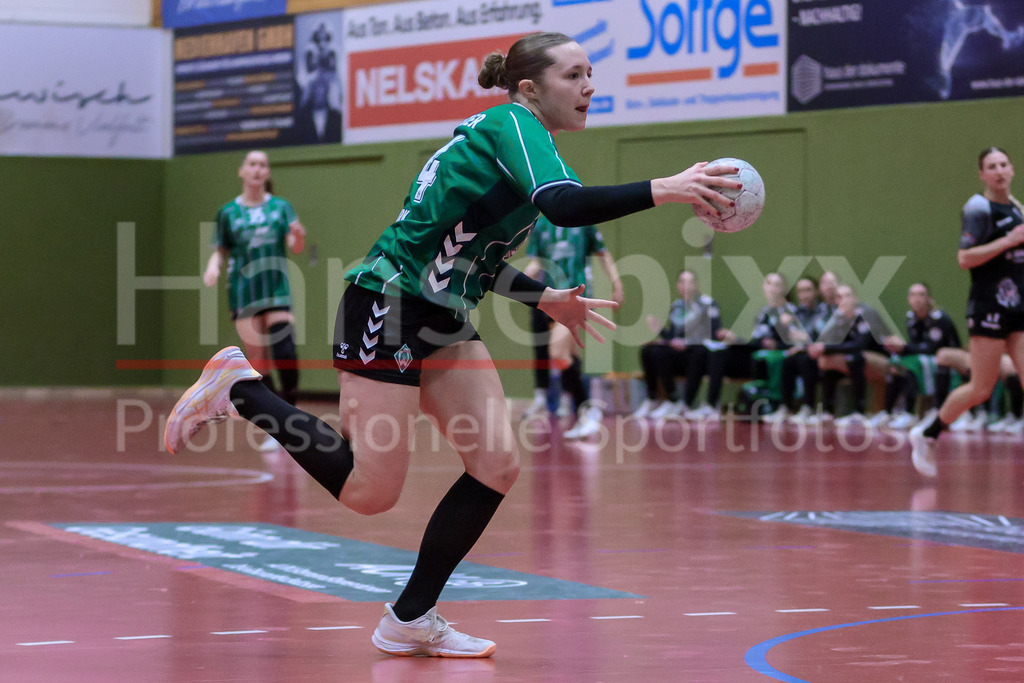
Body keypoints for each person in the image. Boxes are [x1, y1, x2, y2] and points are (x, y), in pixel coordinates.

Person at [164, 32, 741, 658]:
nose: (589, 86)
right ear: (529, 88)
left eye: (590, 73)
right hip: (389, 303)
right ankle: (240, 388)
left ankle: (409, 617)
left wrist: (545, 298)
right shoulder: (514, 124)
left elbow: (468, 252)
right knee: (369, 492)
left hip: (440, 312)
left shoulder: (519, 142)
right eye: (574, 75)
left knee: (496, 463)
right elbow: (566, 208)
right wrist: (671, 187)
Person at [911, 147, 1024, 477]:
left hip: (1019, 306)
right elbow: (965, 258)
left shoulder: (1017, 208)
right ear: (982, 175)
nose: (999, 170)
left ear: (1012, 169)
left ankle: (928, 432)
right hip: (989, 307)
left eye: (1004, 164)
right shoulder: (978, 208)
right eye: (992, 166)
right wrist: (1007, 241)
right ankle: (927, 433)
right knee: (981, 388)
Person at [204, 150, 306, 452]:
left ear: (267, 173)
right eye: (252, 164)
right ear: (242, 171)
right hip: (243, 290)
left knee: (285, 349)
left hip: (275, 289)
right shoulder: (228, 213)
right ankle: (277, 429)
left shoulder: (281, 208)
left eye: (263, 165)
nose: (258, 169)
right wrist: (213, 265)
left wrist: (298, 237)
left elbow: (295, 245)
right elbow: (221, 249)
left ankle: (293, 414)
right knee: (259, 362)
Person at [521, 216, 624, 440]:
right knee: (569, 355)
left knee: (557, 353)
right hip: (549, 299)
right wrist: (509, 281)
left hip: (576, 295)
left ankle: (586, 414)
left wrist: (616, 282)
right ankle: (587, 410)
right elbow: (537, 263)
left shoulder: (583, 220)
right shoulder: (540, 224)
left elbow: (602, 252)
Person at [632, 269, 722, 420]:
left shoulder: (708, 304)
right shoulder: (677, 306)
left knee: (699, 352)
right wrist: (660, 331)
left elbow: (714, 333)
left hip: (699, 355)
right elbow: (673, 336)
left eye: (689, 282)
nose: (685, 286)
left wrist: (687, 342)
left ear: (696, 285)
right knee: (650, 350)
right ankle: (663, 399)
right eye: (681, 282)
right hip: (679, 354)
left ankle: (686, 403)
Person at [805, 283, 893, 426]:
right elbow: (828, 341)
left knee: (854, 358)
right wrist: (817, 346)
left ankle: (859, 412)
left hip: (883, 361)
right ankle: (828, 411)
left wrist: (825, 348)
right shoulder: (839, 319)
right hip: (857, 359)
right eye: (839, 297)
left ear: (855, 298)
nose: (844, 300)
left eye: (847, 296)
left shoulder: (866, 314)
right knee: (826, 360)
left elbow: (859, 345)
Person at [877, 282, 961, 429]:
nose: (917, 299)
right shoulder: (910, 318)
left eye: (921, 294)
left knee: (910, 366)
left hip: (947, 361)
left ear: (929, 298)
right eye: (913, 295)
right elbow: (915, 345)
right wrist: (897, 347)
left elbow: (931, 348)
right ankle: (888, 412)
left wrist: (904, 347)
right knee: (895, 364)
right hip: (923, 359)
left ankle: (910, 413)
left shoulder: (939, 319)